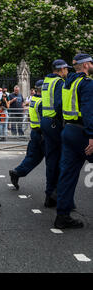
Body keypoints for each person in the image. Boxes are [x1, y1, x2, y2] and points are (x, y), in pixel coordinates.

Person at [54, 53, 93, 229]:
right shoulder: (86, 84)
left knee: (67, 174)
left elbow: (60, 107)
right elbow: (88, 111)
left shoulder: (68, 84)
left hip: (69, 130)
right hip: (83, 132)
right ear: (85, 66)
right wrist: (91, 136)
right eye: (91, 62)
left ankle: (62, 215)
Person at [41, 59, 71, 208]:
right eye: (66, 69)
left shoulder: (47, 80)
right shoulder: (59, 82)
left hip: (46, 121)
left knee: (51, 159)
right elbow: (59, 104)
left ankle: (49, 195)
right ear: (61, 69)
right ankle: (57, 194)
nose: (67, 72)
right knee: (62, 159)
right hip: (55, 122)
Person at [9, 80, 45, 189]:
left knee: (32, 158)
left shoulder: (34, 99)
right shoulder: (42, 102)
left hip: (35, 133)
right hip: (43, 134)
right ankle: (54, 189)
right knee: (54, 161)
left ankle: (17, 172)